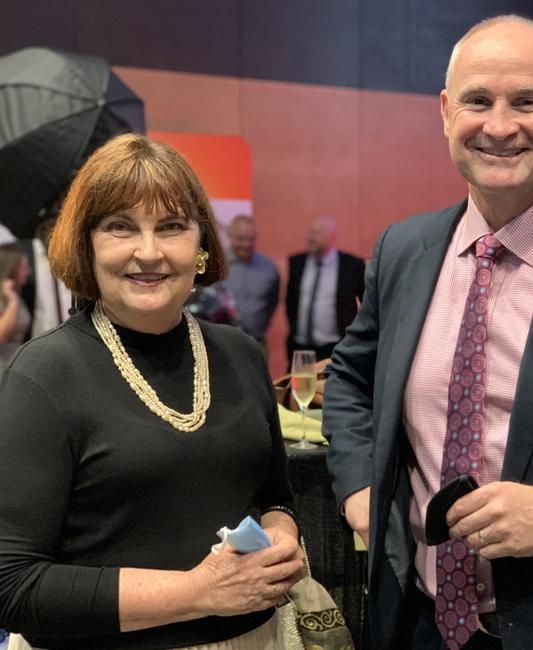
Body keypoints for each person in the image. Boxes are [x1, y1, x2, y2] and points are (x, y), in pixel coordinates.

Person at [324, 14, 533, 650]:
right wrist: (360, 487)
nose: (499, 126)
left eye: (526, 101)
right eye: (478, 100)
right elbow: (350, 378)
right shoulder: (404, 249)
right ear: (447, 112)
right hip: (415, 624)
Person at [0, 133, 303, 650]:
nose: (149, 252)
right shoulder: (42, 375)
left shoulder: (241, 354)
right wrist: (197, 592)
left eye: (171, 227)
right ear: (86, 245)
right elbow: (13, 585)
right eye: (120, 227)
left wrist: (284, 537)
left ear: (201, 246)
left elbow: (275, 498)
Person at [286, 215, 365, 363]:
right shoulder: (296, 263)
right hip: (300, 348)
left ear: (331, 237)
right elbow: (290, 303)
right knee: (298, 386)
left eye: (316, 234)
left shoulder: (352, 265)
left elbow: (366, 303)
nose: (310, 238)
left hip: (335, 348)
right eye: (310, 233)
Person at [192, 215, 279, 347]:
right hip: (220, 345)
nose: (246, 244)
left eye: (251, 239)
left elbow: (272, 302)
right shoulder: (214, 265)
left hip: (257, 343)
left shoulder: (269, 268)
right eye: (241, 238)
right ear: (229, 236)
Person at [0, 243, 32, 371]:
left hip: (14, 363)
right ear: (11, 269)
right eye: (23, 267)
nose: (29, 271)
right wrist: (12, 302)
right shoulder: (8, 298)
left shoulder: (17, 294)